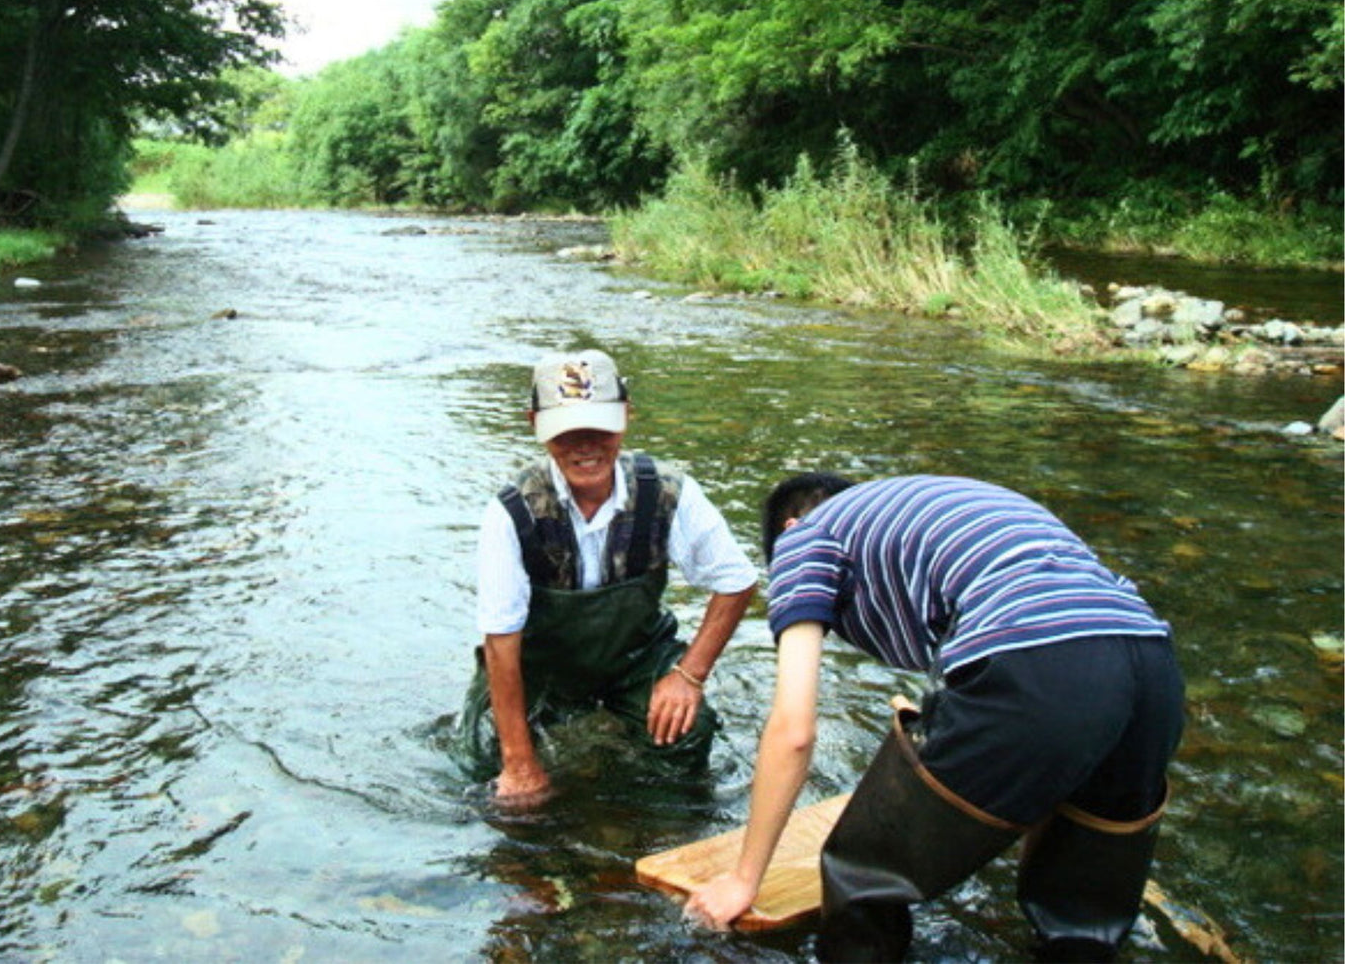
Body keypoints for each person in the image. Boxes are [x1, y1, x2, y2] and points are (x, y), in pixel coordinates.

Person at [684, 473, 1184, 963]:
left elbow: (793, 730)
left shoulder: (805, 538)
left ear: (787, 530)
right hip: (1154, 671)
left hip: (1035, 666)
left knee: (864, 871)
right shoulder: (930, 513)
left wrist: (743, 879)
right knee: (1079, 907)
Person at [457, 349, 757, 808]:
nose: (585, 444)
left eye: (599, 427)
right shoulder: (511, 513)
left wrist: (688, 676)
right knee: (486, 762)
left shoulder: (669, 493)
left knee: (687, 737)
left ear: (626, 416)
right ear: (534, 423)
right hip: (539, 667)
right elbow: (501, 640)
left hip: (635, 660)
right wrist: (519, 763)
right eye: (567, 430)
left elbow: (737, 580)